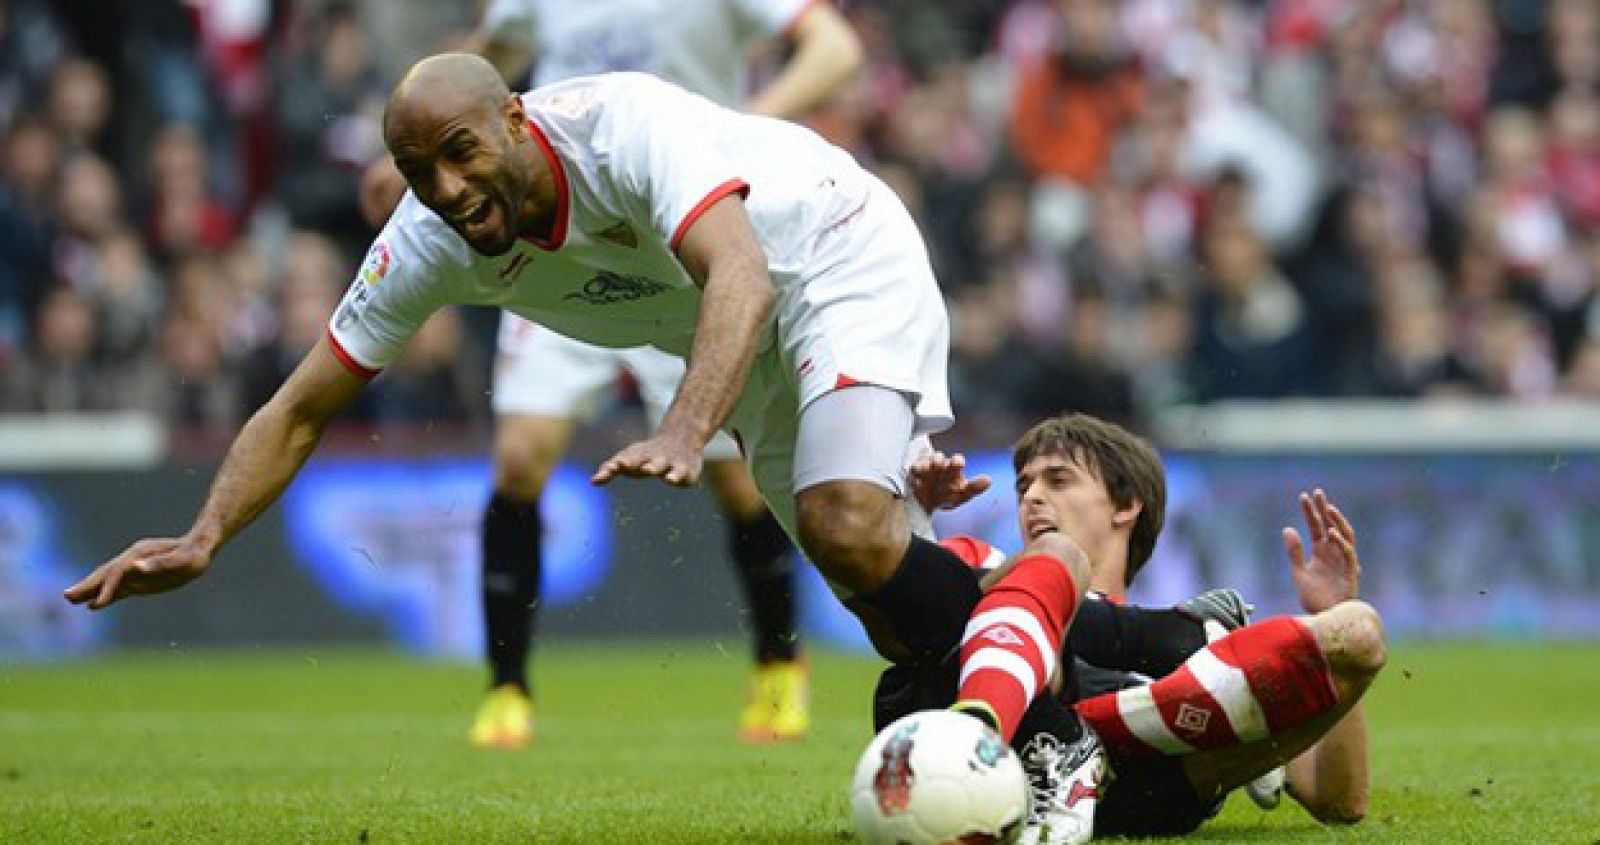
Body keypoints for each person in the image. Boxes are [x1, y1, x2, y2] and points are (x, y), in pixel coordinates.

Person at [65, 54, 1109, 836]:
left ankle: (1059, 741)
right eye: (417, 171)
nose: (448, 188)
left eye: (463, 152)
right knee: (891, 605)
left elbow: (737, 272)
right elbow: (300, 404)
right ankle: (1146, 663)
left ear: (515, 124)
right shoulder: (429, 241)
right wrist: (204, 533)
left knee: (844, 526)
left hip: (832, 259)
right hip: (743, 343)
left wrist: (687, 430)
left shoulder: (623, 129)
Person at [357, 0, 864, 751]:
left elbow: (836, 50)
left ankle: (778, 666)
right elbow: (482, 58)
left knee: (733, 477)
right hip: (553, 240)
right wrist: (424, 152)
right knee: (521, 454)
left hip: (678, 237)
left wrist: (748, 124)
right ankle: (506, 689)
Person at [876, 413, 1387, 839]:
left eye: (1057, 480)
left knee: (1358, 631)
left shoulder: (1202, 651)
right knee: (1056, 574)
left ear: (1126, 506)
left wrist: (1328, 611)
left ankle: (1099, 733)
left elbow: (1338, 800)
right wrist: (914, 522)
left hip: (1142, 793)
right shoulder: (979, 560)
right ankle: (1130, 714)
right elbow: (911, 621)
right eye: (1024, 484)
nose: (1031, 497)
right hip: (985, 748)